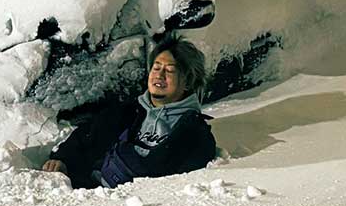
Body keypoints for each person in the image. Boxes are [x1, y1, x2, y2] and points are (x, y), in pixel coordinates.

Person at [42, 37, 216, 189]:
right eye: (156, 68)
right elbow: (85, 136)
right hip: (92, 194)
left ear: (188, 82)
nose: (159, 75)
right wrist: (62, 159)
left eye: (170, 70)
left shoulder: (195, 133)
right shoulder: (126, 112)